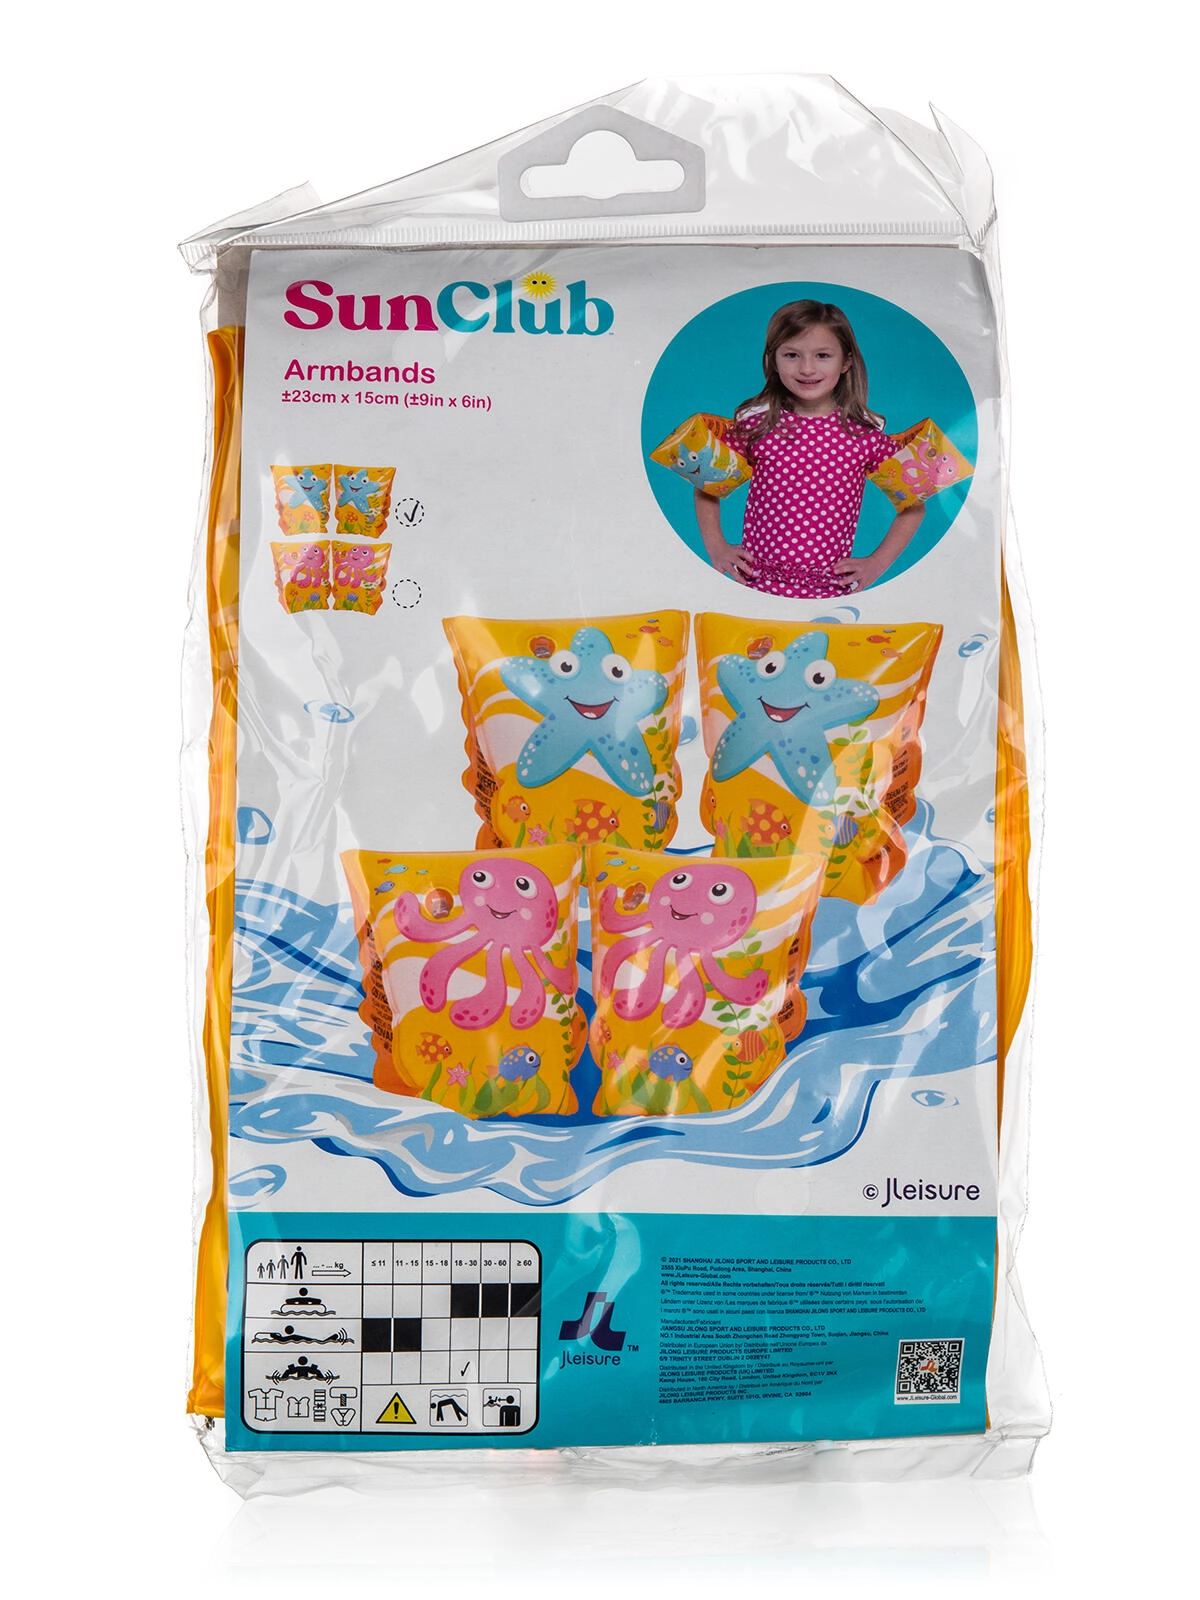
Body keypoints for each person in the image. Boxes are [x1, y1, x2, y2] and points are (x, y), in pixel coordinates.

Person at [694, 300, 923, 598]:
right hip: (753, 587)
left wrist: (877, 564)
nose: (807, 368)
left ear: (846, 362)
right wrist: (716, 546)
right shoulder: (757, 427)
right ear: (773, 360)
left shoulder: (865, 438)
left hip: (829, 593)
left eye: (822, 355)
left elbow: (913, 504)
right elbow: (706, 483)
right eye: (792, 355)